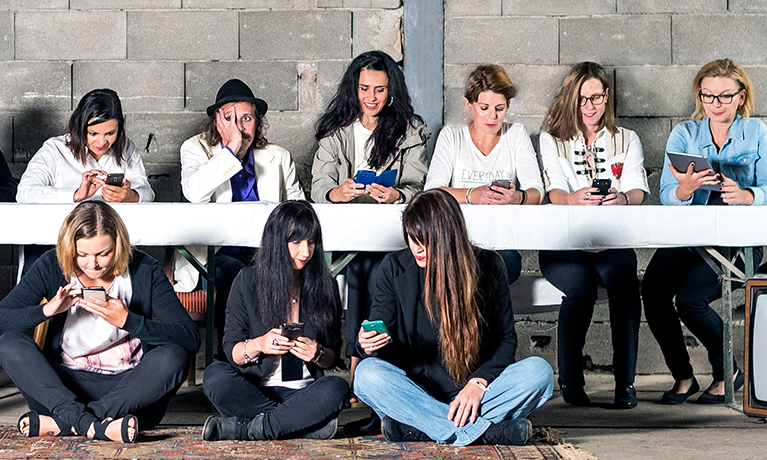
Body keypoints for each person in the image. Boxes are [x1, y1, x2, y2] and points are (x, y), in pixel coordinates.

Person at [353, 189, 553, 446]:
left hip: (475, 394)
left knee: (539, 372)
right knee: (367, 374)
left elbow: (505, 339)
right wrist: (367, 342)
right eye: (411, 237)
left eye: (424, 239)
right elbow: (381, 330)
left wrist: (478, 383)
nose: (417, 247)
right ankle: (486, 432)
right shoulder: (394, 267)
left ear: (447, 235)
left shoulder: (489, 265)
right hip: (416, 394)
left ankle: (421, 430)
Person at [0, 201, 200, 443]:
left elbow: (189, 337)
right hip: (63, 389)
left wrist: (129, 320)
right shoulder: (51, 265)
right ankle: (93, 425)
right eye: (82, 254)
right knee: (9, 343)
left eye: (104, 254)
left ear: (119, 244)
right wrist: (47, 310)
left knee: (174, 355)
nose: (92, 264)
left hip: (128, 391)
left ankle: (69, 423)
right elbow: (3, 319)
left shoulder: (144, 269)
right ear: (69, 247)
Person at [311, 50, 429, 431]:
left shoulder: (410, 130)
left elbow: (419, 186)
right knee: (360, 267)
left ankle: (370, 366)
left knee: (382, 269)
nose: (372, 97)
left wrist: (396, 195)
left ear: (392, 91)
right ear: (354, 88)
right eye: (364, 88)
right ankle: (359, 362)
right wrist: (336, 193)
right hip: (349, 234)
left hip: (393, 234)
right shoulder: (337, 130)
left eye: (380, 89)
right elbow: (319, 186)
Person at [642, 58, 767, 405]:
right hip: (690, 236)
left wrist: (746, 195)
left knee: (691, 300)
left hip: (739, 241)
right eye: (708, 96)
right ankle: (683, 376)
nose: (715, 104)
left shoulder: (757, 133)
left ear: (741, 97)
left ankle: (729, 373)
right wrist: (685, 189)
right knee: (652, 290)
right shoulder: (685, 133)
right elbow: (667, 193)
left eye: (725, 96)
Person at [538, 62, 649, 409]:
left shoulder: (627, 138)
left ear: (606, 97)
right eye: (583, 99)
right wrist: (573, 198)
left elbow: (637, 188)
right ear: (572, 100)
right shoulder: (551, 139)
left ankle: (625, 384)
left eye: (597, 98)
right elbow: (553, 190)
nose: (590, 107)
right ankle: (571, 381)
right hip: (564, 244)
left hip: (610, 240)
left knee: (626, 284)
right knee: (580, 290)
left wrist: (621, 198)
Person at [176, 78, 304, 358]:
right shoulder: (194, 149)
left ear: (257, 121)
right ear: (217, 122)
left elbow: (300, 210)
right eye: (230, 118)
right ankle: (230, 354)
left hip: (265, 251)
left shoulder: (278, 157)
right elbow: (194, 193)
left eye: (246, 118)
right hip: (212, 258)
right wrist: (230, 150)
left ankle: (281, 359)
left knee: (270, 270)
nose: (239, 126)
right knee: (236, 273)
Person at [202, 200, 348, 441]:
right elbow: (232, 351)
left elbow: (333, 354)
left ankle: (244, 429)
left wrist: (318, 353)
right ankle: (301, 426)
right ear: (277, 243)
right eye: (296, 242)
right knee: (214, 376)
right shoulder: (247, 281)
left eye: (311, 242)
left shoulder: (325, 285)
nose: (306, 252)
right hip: (254, 390)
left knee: (337, 388)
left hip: (303, 394)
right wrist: (259, 344)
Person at [425, 64, 543, 284]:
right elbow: (432, 191)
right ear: (469, 104)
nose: (493, 116)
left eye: (500, 108)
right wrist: (472, 195)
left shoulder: (516, 134)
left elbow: (537, 192)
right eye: (484, 107)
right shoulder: (452, 136)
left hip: (503, 245)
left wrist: (517, 198)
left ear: (508, 105)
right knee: (464, 272)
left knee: (489, 271)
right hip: (459, 242)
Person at [16, 88, 154, 276]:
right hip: (55, 244)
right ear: (80, 126)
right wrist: (75, 195)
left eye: (110, 133)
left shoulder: (125, 148)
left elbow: (146, 191)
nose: (102, 141)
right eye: (93, 133)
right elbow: (24, 193)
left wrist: (132, 195)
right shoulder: (55, 149)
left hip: (108, 247)